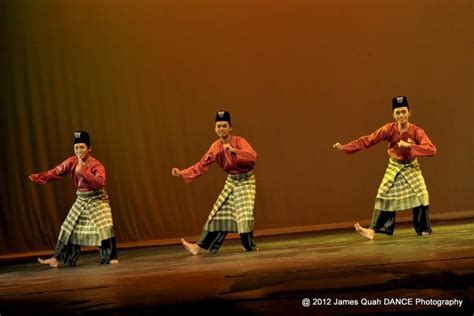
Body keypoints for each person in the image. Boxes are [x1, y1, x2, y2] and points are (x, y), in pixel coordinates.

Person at [333, 96, 436, 240]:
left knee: (422, 195)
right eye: (398, 113)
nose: (401, 115)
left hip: (411, 167)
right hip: (394, 166)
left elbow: (431, 149)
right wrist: (346, 147)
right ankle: (372, 230)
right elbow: (369, 139)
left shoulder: (416, 131)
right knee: (383, 195)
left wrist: (411, 146)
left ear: (409, 112)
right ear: (393, 115)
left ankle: (423, 229)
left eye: (403, 112)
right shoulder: (389, 129)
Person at [172, 111, 258, 255]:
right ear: (215, 128)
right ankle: (198, 247)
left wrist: (234, 150)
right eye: (218, 126)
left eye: (224, 126)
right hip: (231, 181)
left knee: (245, 213)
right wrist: (182, 172)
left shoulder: (239, 141)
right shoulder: (215, 147)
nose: (221, 129)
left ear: (230, 128)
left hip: (246, 180)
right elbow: (201, 165)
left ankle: (248, 245)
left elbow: (252, 156)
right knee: (218, 212)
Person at [29, 131, 118, 267]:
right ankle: (56, 258)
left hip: (97, 198)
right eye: (76, 147)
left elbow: (100, 183)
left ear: (89, 148)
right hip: (81, 198)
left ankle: (111, 257)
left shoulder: (96, 165)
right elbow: (56, 171)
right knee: (67, 226)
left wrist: (83, 172)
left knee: (104, 226)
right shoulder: (71, 162)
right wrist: (41, 177)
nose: (79, 151)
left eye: (82, 147)